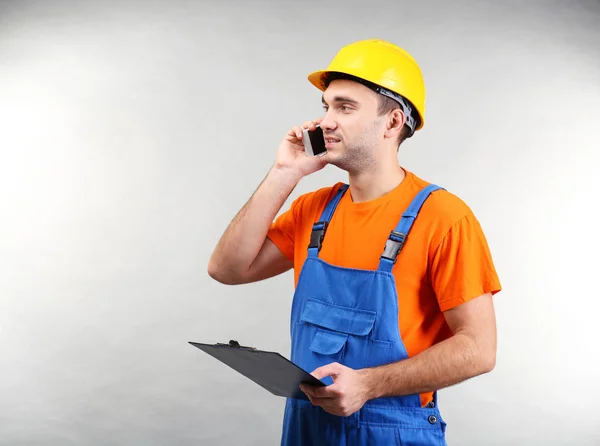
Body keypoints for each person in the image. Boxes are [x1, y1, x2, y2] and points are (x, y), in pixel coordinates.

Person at [208, 39, 502, 446]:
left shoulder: (445, 218)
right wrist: (284, 172)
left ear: (393, 122)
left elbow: (479, 348)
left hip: (392, 429)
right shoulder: (315, 211)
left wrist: (369, 384)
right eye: (326, 106)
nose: (326, 121)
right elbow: (226, 269)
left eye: (344, 108)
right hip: (307, 425)